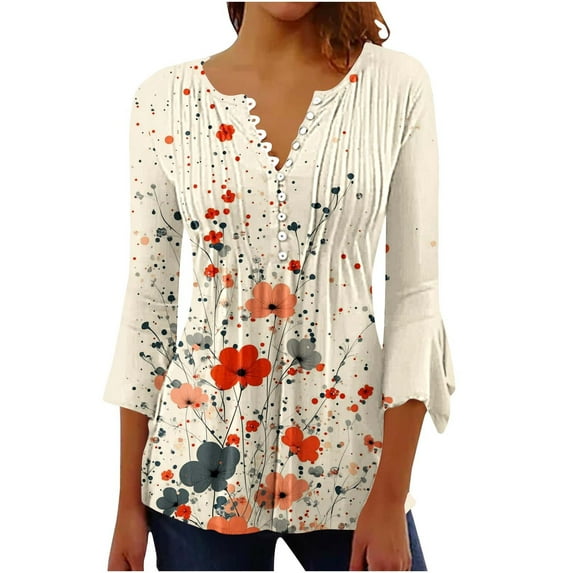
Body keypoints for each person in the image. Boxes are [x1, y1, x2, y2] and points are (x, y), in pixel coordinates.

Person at [103, 2, 456, 571]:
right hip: (194, 477)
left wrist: (391, 495)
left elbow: (417, 297)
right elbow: (149, 303)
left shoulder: (395, 85)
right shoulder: (163, 100)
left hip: (353, 471)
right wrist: (126, 502)